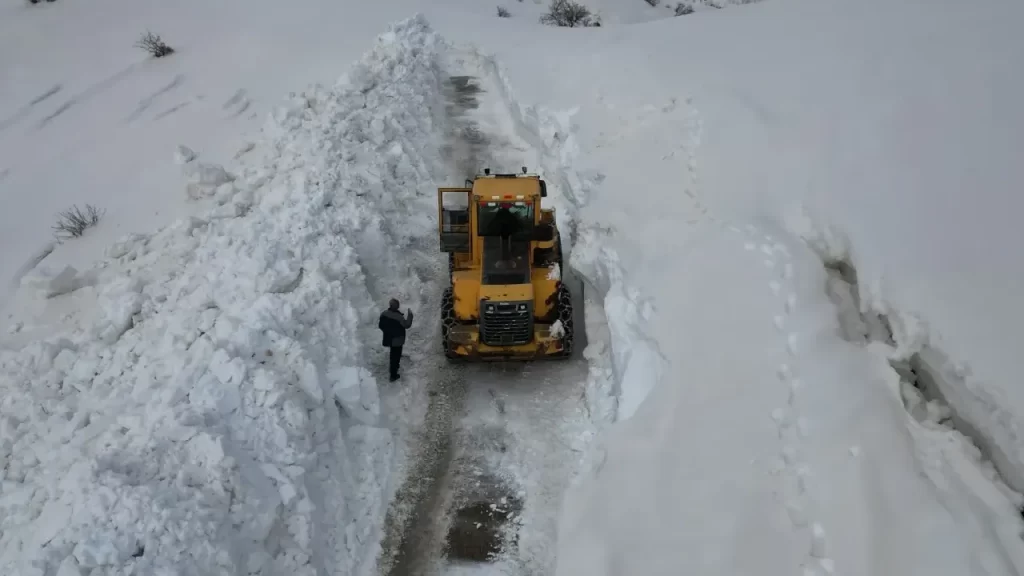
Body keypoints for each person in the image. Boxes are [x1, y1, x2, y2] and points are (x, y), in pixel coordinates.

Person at [378, 298, 414, 382]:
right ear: (397, 306)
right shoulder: (399, 317)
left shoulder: (384, 314)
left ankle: (393, 368)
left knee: (393, 354)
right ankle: (393, 375)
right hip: (397, 340)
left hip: (389, 339)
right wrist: (410, 315)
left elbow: (381, 325)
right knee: (395, 357)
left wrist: (388, 331)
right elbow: (407, 325)